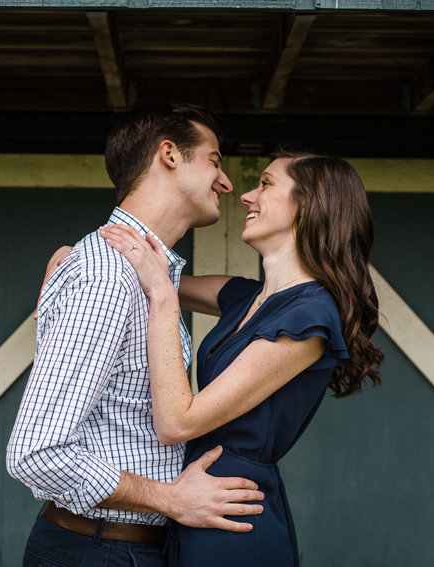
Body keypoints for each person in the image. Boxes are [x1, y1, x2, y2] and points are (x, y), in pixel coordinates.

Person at [6, 103, 265, 567]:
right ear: (169, 154)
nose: (227, 183)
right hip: (98, 550)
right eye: (215, 160)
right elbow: (37, 453)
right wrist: (170, 499)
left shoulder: (142, 275)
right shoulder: (106, 276)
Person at [98, 149, 384, 567]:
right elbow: (138, 272)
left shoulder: (310, 318)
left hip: (233, 515)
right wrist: (71, 257)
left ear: (309, 204)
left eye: (265, 184)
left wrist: (162, 295)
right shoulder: (245, 296)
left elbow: (178, 421)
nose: (247, 196)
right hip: (195, 500)